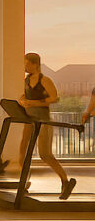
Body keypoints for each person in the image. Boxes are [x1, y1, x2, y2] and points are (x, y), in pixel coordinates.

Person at [14, 53, 76, 199]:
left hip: (43, 121)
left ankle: (65, 181)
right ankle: (24, 184)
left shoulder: (45, 80)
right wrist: (22, 101)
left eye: (26, 63)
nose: (24, 66)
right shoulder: (26, 80)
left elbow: (54, 98)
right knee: (23, 152)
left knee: (45, 155)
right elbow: (23, 96)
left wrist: (34, 103)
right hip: (29, 120)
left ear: (35, 64)